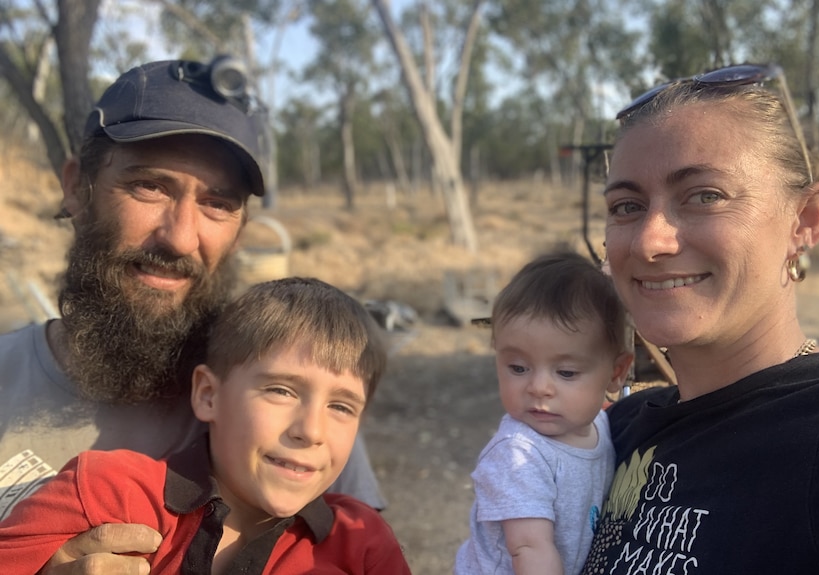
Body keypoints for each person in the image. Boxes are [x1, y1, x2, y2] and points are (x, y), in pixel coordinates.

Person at [0, 57, 385, 572]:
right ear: (76, 187)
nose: (180, 237)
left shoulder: (290, 391)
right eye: (150, 186)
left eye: (218, 204)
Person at [578, 63, 819, 574]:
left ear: (806, 220)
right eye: (626, 206)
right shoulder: (614, 431)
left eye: (706, 196)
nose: (648, 241)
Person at [0, 277, 411, 574]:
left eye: (341, 406)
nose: (311, 430)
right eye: (281, 391)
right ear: (208, 395)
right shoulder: (108, 493)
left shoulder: (362, 544)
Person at [454, 250, 633, 575]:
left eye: (565, 373)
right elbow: (529, 548)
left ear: (616, 372)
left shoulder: (602, 425)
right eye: (518, 368)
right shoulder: (518, 454)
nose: (538, 387)